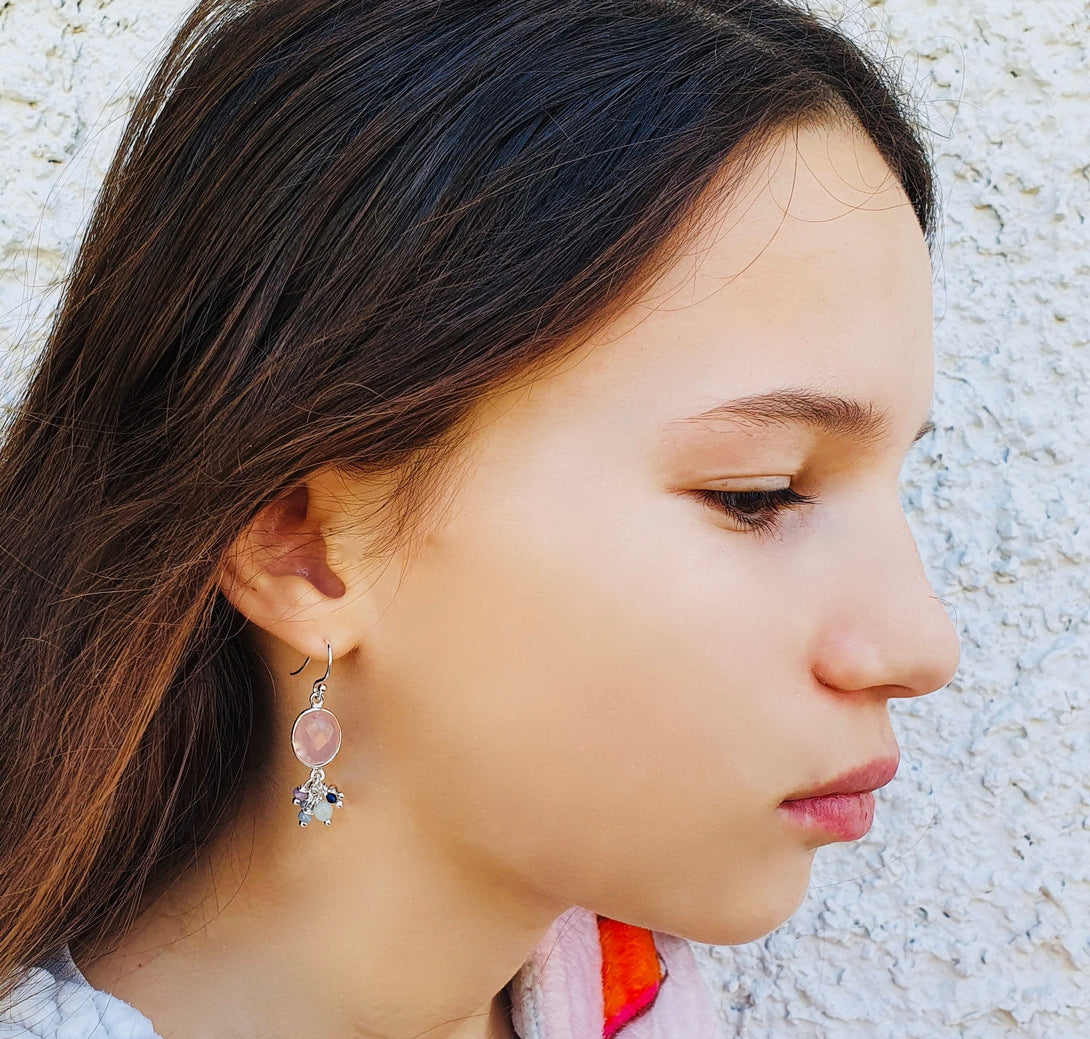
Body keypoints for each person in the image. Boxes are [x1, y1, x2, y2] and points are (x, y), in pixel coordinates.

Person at [0, 0, 961, 1036]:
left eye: (894, 480)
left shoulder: (626, 993)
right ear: (305, 547)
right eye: (756, 495)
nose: (920, 645)